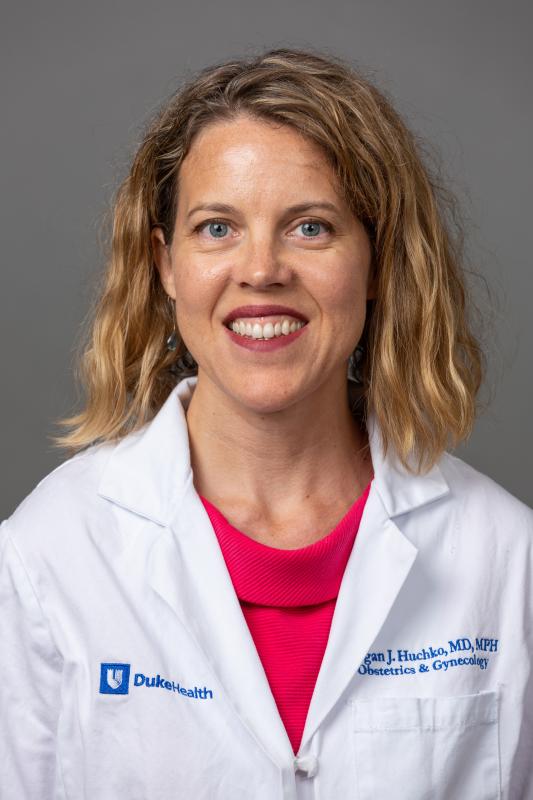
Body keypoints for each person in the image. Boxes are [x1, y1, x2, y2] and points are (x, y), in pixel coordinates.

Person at [1, 46, 532, 800]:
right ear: (166, 265)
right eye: (217, 227)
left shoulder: (507, 560)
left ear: (378, 259)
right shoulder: (51, 552)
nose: (261, 270)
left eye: (310, 227)